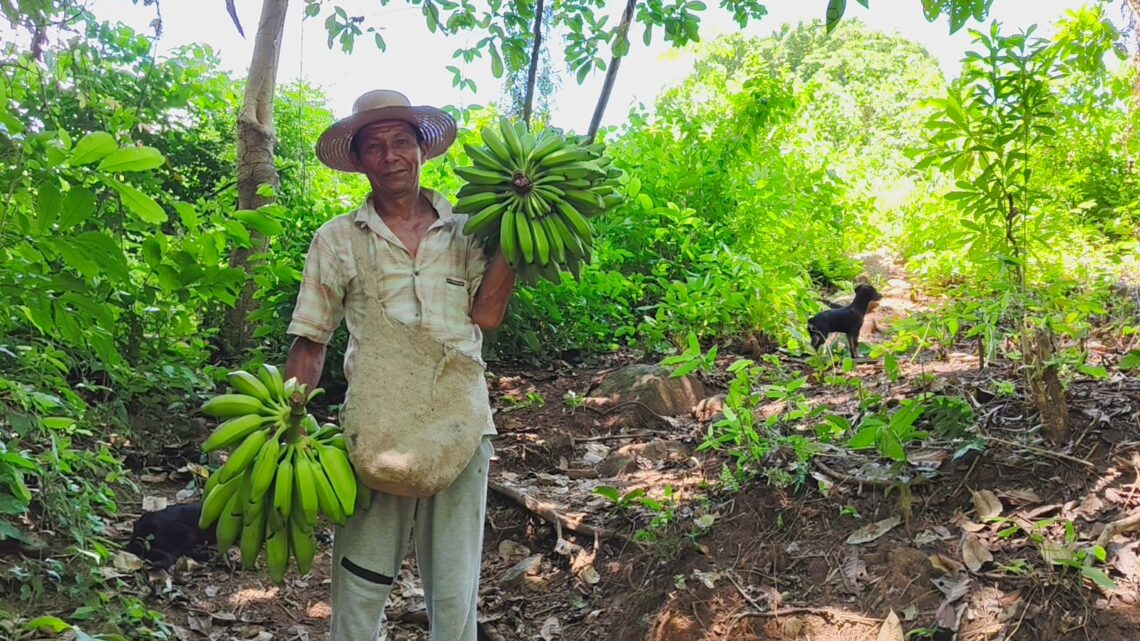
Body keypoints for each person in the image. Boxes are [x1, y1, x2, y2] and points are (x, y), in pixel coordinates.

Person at [283, 89, 516, 641]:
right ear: (360, 161)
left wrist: (515, 240)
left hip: (461, 423)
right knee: (360, 584)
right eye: (375, 146)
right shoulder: (337, 239)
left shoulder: (469, 228)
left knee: (455, 590)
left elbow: (486, 315)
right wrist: (287, 415)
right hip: (378, 428)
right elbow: (312, 339)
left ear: (421, 151)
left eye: (402, 142)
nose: (391, 156)